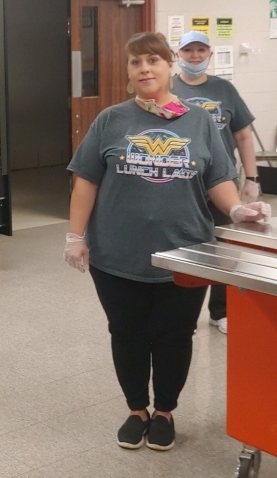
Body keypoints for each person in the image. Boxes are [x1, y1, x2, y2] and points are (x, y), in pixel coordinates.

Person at [64, 32, 271, 452]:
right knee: (126, 332)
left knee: (174, 335)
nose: (145, 69)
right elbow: (85, 179)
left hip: (186, 254)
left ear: (168, 65)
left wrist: (235, 210)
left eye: (154, 61)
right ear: (128, 71)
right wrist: (74, 236)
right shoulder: (111, 120)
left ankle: (165, 412)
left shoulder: (197, 120)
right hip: (117, 254)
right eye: (137, 62)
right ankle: (137, 408)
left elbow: (217, 179)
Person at [171, 31, 259, 335]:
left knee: (224, 247)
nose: (195, 56)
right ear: (178, 54)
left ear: (209, 54)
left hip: (222, 182)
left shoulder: (225, 89)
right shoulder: (168, 87)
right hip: (182, 183)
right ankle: (183, 314)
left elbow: (243, 136)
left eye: (201, 50)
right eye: (188, 50)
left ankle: (220, 311)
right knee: (184, 247)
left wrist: (252, 179)